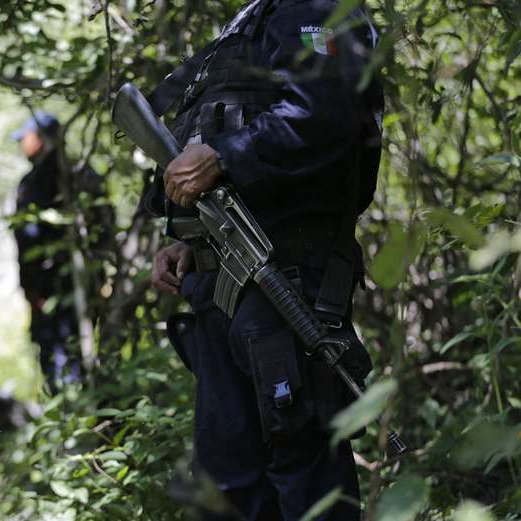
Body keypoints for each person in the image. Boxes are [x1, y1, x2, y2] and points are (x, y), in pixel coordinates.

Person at [147, 0, 383, 519]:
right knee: (227, 484)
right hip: (222, 280)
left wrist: (225, 157)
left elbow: (324, 115)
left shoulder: (317, 9)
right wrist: (192, 240)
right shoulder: (246, 25)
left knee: (305, 473)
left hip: (285, 279)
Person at [12, 111, 113, 393]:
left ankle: (80, 420)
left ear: (42, 139)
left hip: (65, 286)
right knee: (62, 354)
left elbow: (103, 226)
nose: (22, 144)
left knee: (66, 355)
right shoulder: (76, 174)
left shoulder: (63, 179)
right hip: (54, 289)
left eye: (26, 138)